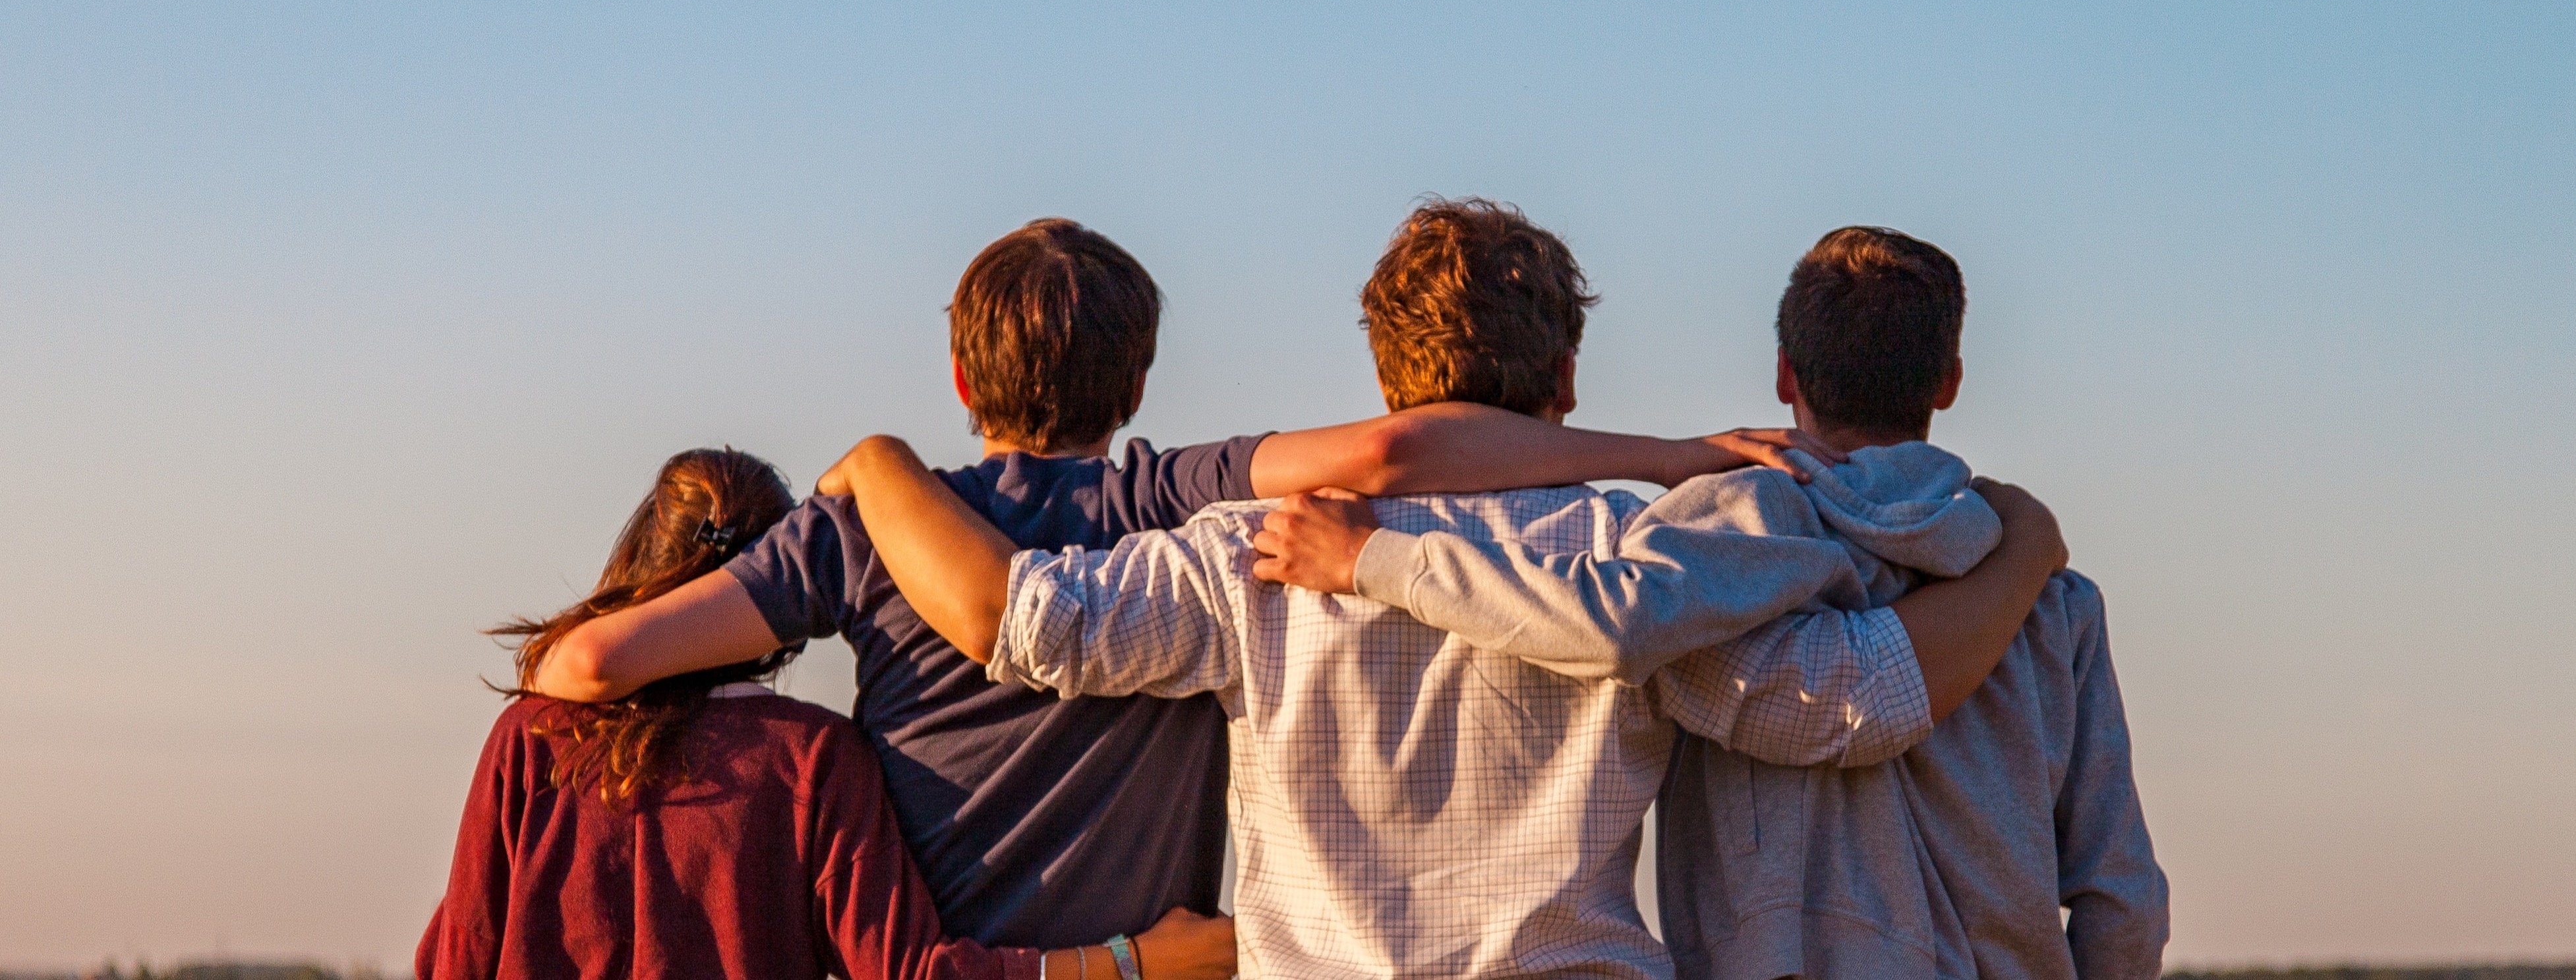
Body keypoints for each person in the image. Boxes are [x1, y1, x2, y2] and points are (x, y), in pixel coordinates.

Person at [831, 200, 2073, 977]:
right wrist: (2019, 550)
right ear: (1569, 375)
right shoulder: (1629, 556)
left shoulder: (1251, 550)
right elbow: (1836, 703)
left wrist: (878, 469)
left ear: (1384, 373)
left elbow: (1034, 624)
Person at [525, 217, 1842, 950]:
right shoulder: (1178, 498)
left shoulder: (883, 531)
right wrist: (1670, 454)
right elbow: (1397, 452)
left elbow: (584, 672)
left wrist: (815, 743)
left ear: (963, 382)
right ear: (1141, 380)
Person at [1262, 227, 2170, 979]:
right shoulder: (2054, 603)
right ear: (1948, 381)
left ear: (1785, 374)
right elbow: (2120, 891)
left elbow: (1618, 623)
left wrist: (1373, 559)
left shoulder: (1713, 550)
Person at [417, 447, 1239, 980]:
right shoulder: (809, 758)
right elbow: (914, 972)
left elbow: (457, 958)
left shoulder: (532, 737)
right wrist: (1134, 962)